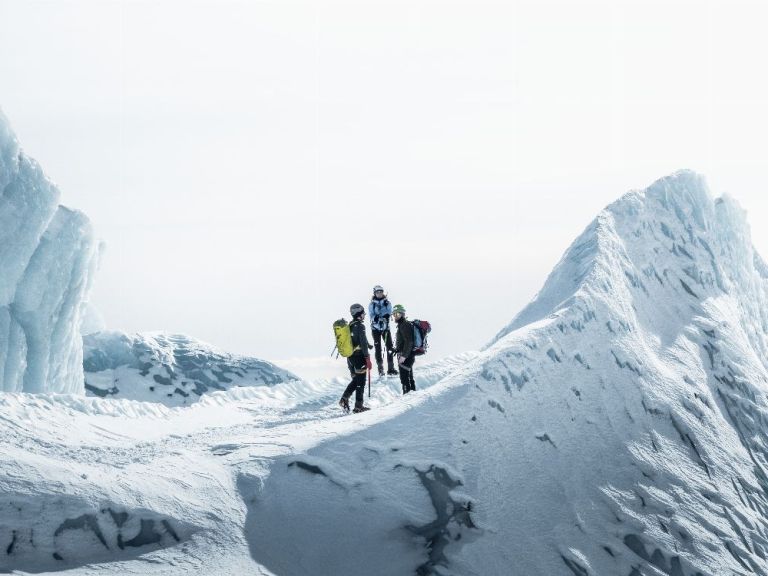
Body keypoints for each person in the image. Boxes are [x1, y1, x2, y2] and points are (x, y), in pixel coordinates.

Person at [338, 303, 372, 413]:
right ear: (359, 314)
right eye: (363, 314)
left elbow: (355, 341)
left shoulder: (350, 326)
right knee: (361, 382)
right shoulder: (360, 326)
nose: (364, 316)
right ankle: (358, 406)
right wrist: (367, 358)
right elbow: (362, 342)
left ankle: (344, 398)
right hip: (359, 357)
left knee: (356, 379)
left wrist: (368, 344)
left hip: (351, 358)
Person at [368, 285, 397, 377]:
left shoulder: (387, 302)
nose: (380, 293)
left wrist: (386, 316)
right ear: (375, 293)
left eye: (381, 292)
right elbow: (371, 315)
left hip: (385, 328)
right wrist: (375, 318)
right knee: (378, 348)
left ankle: (391, 368)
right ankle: (380, 369)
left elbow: (389, 312)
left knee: (389, 347)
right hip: (375, 329)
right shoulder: (372, 304)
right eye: (378, 292)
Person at [392, 304, 416, 394]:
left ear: (402, 314)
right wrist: (397, 349)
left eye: (397, 314)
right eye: (394, 314)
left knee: (405, 379)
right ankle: (413, 397)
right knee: (409, 377)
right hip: (406, 354)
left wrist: (404, 356)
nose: (395, 316)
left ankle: (407, 398)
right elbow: (404, 341)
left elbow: (409, 341)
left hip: (406, 356)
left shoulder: (404, 325)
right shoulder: (402, 325)